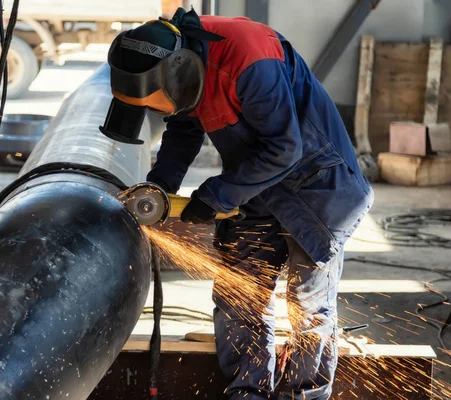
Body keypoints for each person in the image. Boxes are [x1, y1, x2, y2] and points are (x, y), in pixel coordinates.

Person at [101, 7, 374, 400]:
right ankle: (247, 393)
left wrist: (215, 196)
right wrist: (159, 188)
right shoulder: (183, 67)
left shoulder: (250, 61)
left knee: (307, 307)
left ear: (177, 72)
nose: (157, 113)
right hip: (256, 188)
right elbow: (182, 127)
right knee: (239, 299)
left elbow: (284, 149)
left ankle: (305, 396)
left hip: (319, 190)